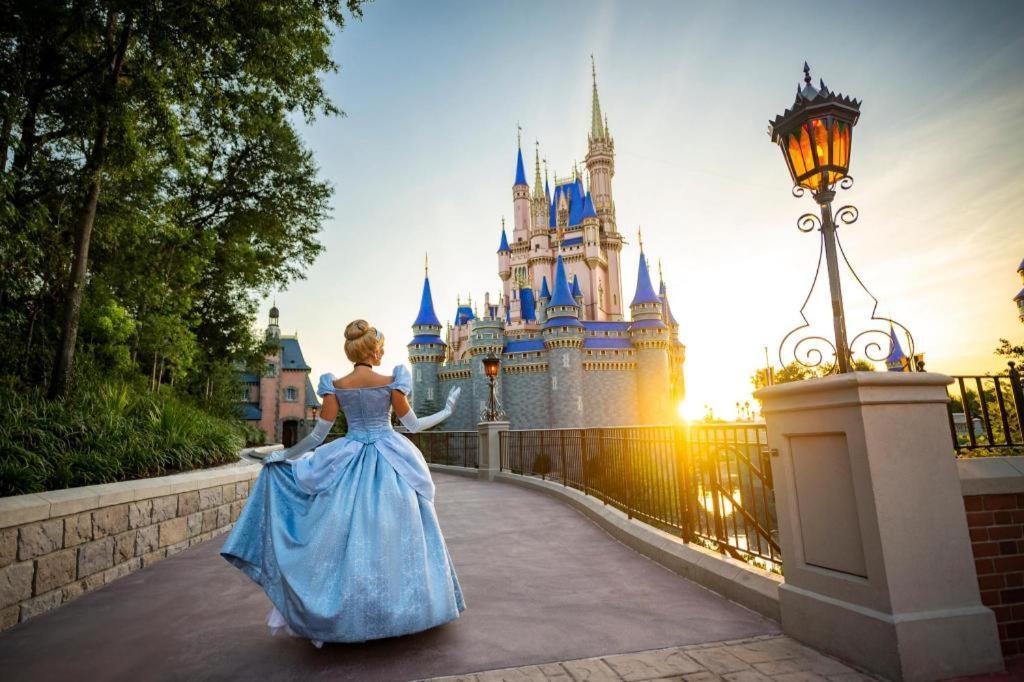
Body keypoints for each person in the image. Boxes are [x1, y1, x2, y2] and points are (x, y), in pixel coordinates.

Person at [221, 319, 466, 647]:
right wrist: (447, 411)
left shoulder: (336, 385)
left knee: (341, 536)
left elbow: (317, 436)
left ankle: (345, 611)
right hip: (391, 459)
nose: (382, 352)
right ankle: (400, 608)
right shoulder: (392, 382)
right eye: (380, 347)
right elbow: (414, 426)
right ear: (374, 349)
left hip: (348, 460)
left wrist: (285, 456)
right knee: (397, 535)